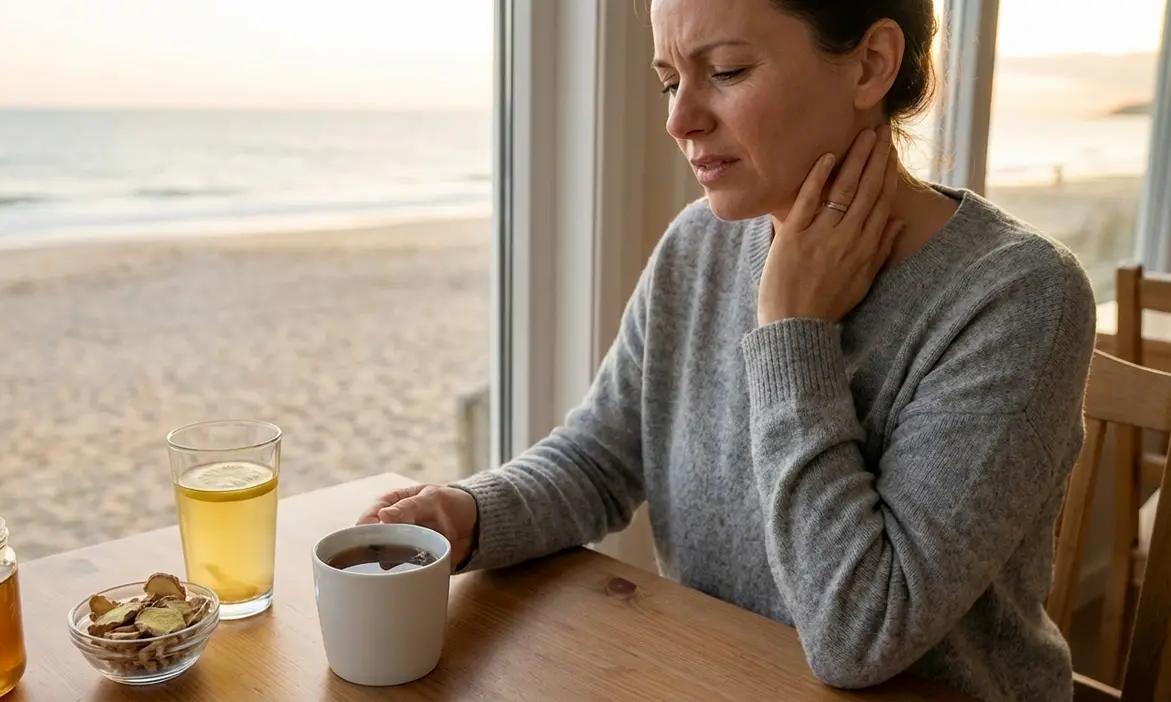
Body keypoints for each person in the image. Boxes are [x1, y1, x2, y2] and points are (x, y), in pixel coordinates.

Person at [357, 0, 1096, 699]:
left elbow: (860, 633)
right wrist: (467, 513)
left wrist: (790, 331)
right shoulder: (698, 243)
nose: (680, 119)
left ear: (869, 64)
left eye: (728, 71)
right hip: (716, 678)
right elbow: (600, 458)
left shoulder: (1019, 297)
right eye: (670, 81)